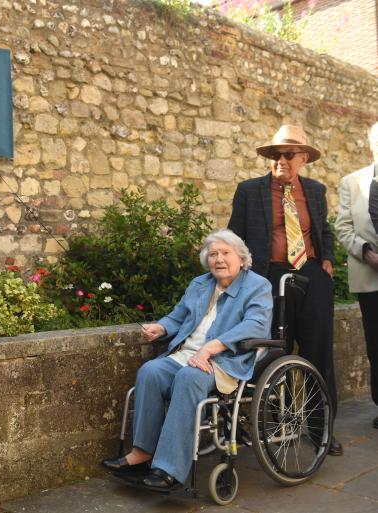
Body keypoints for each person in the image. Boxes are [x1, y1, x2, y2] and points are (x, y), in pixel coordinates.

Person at [102, 229, 273, 491]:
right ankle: (142, 452)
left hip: (225, 360)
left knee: (189, 377)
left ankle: (169, 468)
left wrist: (212, 347)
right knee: (150, 371)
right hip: (186, 354)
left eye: (226, 253)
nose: (219, 259)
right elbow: (178, 316)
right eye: (213, 254)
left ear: (241, 257)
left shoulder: (257, 285)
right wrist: (160, 328)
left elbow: (257, 325)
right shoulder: (200, 284)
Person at [227, 124, 342, 456]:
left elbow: (323, 230)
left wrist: (328, 261)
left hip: (311, 276)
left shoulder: (316, 191)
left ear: (303, 158)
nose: (281, 161)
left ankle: (321, 429)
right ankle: (279, 425)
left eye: (289, 155)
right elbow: (234, 236)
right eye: (275, 155)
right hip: (269, 278)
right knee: (276, 352)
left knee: (319, 353)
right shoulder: (249, 191)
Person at [334, 121, 378, 430]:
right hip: (370, 276)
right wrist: (367, 253)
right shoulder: (352, 182)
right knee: (375, 344)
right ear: (372, 145)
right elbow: (343, 227)